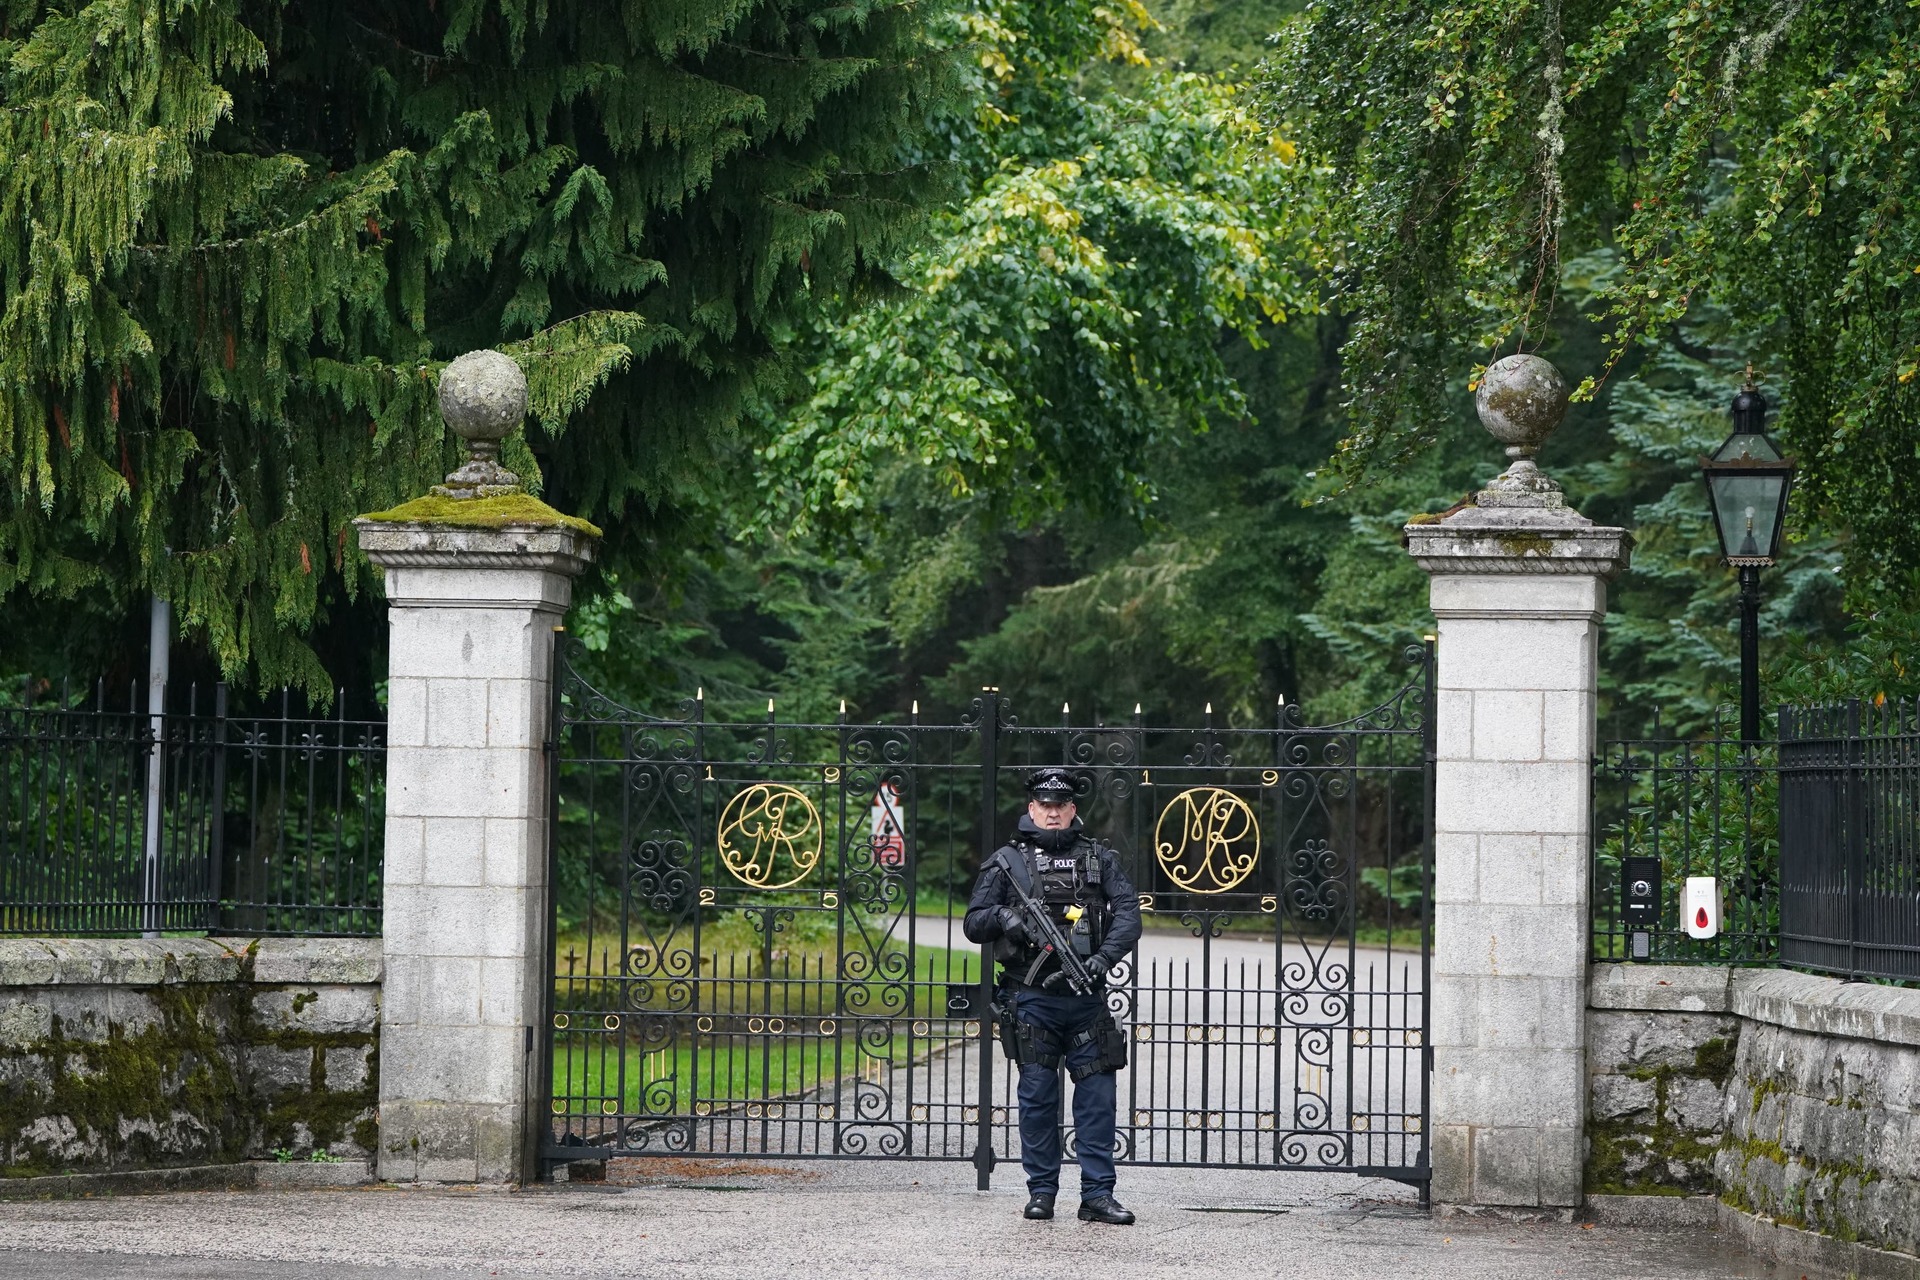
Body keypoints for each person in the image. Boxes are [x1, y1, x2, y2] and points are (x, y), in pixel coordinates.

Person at [963, 766, 1142, 1225]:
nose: (1053, 813)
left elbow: (1128, 914)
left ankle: (1097, 1196)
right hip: (1032, 998)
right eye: (1045, 805)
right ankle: (1041, 1192)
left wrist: (1103, 959)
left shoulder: (1099, 859)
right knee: (1039, 1098)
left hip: (1087, 999)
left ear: (1072, 810)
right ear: (1032, 809)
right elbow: (973, 921)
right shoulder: (1007, 862)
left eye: (1061, 806)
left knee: (1097, 1100)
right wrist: (1004, 916)